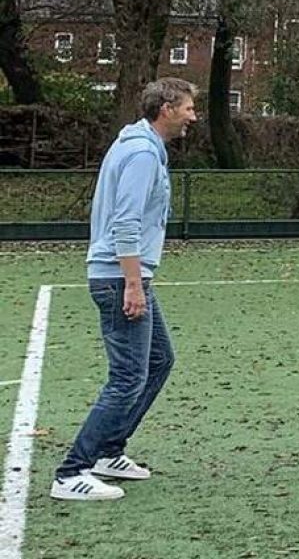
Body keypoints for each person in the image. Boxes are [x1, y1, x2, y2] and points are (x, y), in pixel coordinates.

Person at [51, 77, 197, 501]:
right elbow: (126, 222)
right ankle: (70, 472)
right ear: (166, 108)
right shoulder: (140, 153)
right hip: (119, 278)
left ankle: (108, 451)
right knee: (128, 377)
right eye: (188, 107)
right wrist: (133, 282)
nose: (193, 116)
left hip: (125, 276)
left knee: (159, 360)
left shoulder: (142, 147)